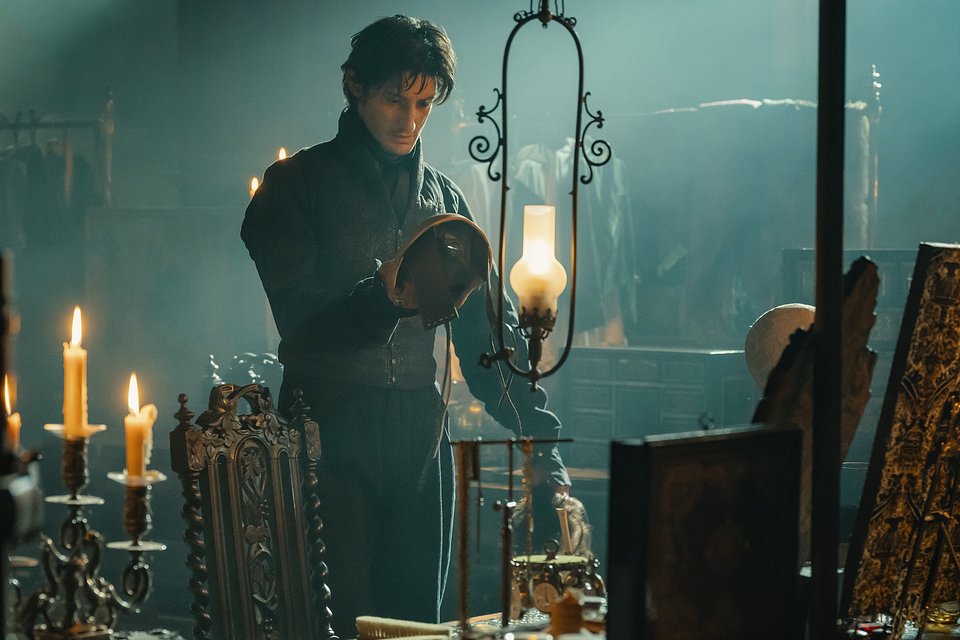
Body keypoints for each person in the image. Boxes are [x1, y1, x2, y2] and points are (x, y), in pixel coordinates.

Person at [241, 15, 571, 633]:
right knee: (337, 620)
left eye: (424, 104)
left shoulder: (445, 200)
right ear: (354, 86)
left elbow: (487, 343)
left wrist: (539, 438)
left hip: (420, 437)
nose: (409, 120)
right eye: (395, 99)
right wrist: (382, 301)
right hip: (327, 428)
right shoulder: (295, 187)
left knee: (416, 623)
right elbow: (301, 324)